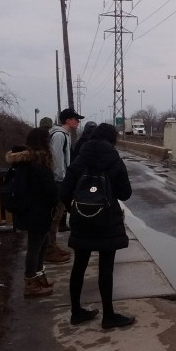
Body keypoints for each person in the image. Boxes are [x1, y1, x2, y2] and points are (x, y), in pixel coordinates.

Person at [60, 122, 135, 329]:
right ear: (112, 140)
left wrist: (76, 210)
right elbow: (125, 194)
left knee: (79, 266)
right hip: (107, 222)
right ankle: (108, 316)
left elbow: (64, 191)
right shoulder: (114, 160)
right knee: (106, 268)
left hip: (82, 221)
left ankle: (76, 312)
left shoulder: (79, 159)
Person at [5, 128, 58, 297]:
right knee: (35, 247)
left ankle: (39, 276)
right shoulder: (38, 162)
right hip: (38, 210)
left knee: (42, 242)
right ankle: (30, 282)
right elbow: (48, 188)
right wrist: (57, 197)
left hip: (29, 209)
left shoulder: (24, 161)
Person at [46, 108, 84, 262]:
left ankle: (52, 246)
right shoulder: (59, 136)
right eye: (76, 119)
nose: (78, 121)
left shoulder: (63, 135)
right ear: (68, 120)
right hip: (58, 182)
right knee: (55, 216)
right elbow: (56, 159)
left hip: (59, 180)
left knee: (57, 215)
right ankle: (49, 250)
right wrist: (62, 178)